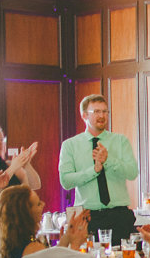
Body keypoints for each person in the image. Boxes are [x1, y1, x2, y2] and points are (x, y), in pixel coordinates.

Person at [59, 94, 139, 242]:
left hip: (119, 215)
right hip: (88, 216)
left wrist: (108, 161)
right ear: (84, 115)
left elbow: (132, 172)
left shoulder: (120, 141)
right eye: (96, 112)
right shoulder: (70, 145)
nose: (102, 116)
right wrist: (94, 171)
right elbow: (66, 181)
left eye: (104, 111)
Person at [0, 124, 41, 252]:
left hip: (14, 224)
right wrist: (13, 168)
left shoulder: (7, 164)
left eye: (2, 139)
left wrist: (27, 165)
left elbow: (34, 185)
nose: (0, 143)